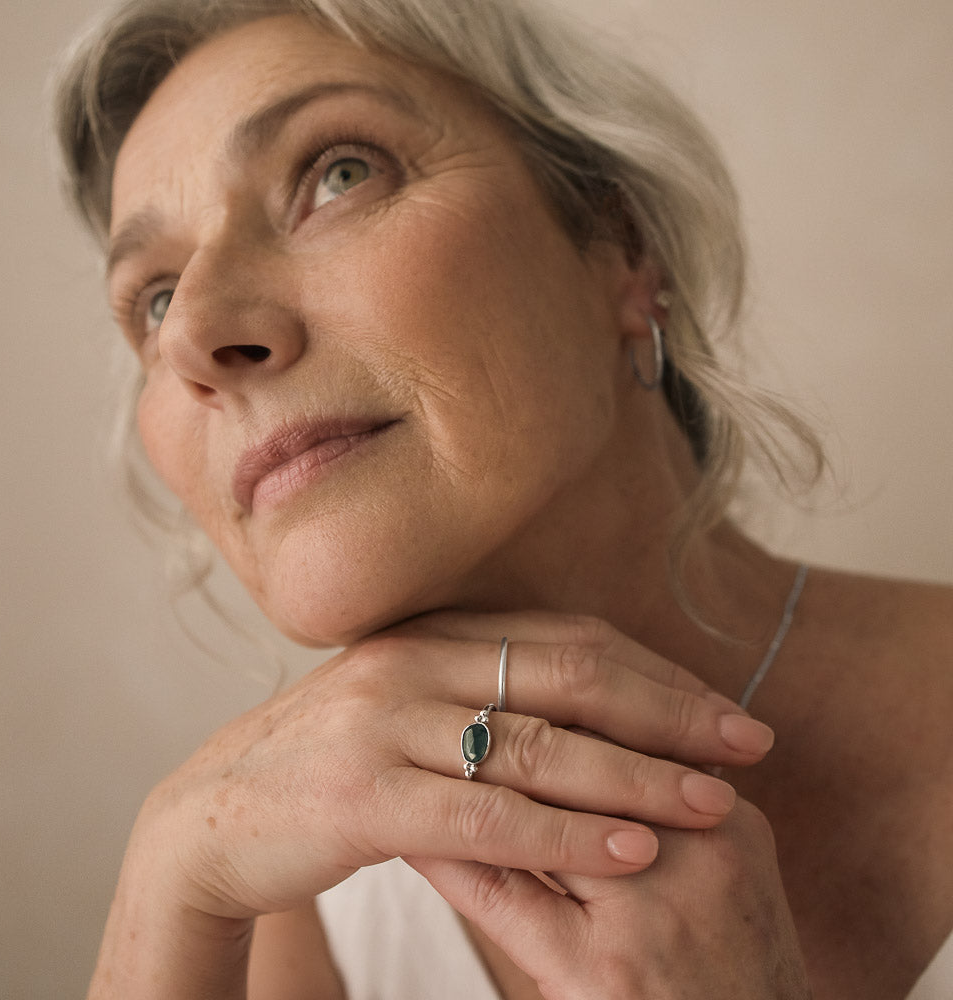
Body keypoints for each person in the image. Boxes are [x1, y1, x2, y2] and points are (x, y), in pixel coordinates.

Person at [54, 0, 953, 996]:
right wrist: (162, 892)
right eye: (156, 297)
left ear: (621, 242)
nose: (194, 336)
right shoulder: (281, 916)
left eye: (336, 174)